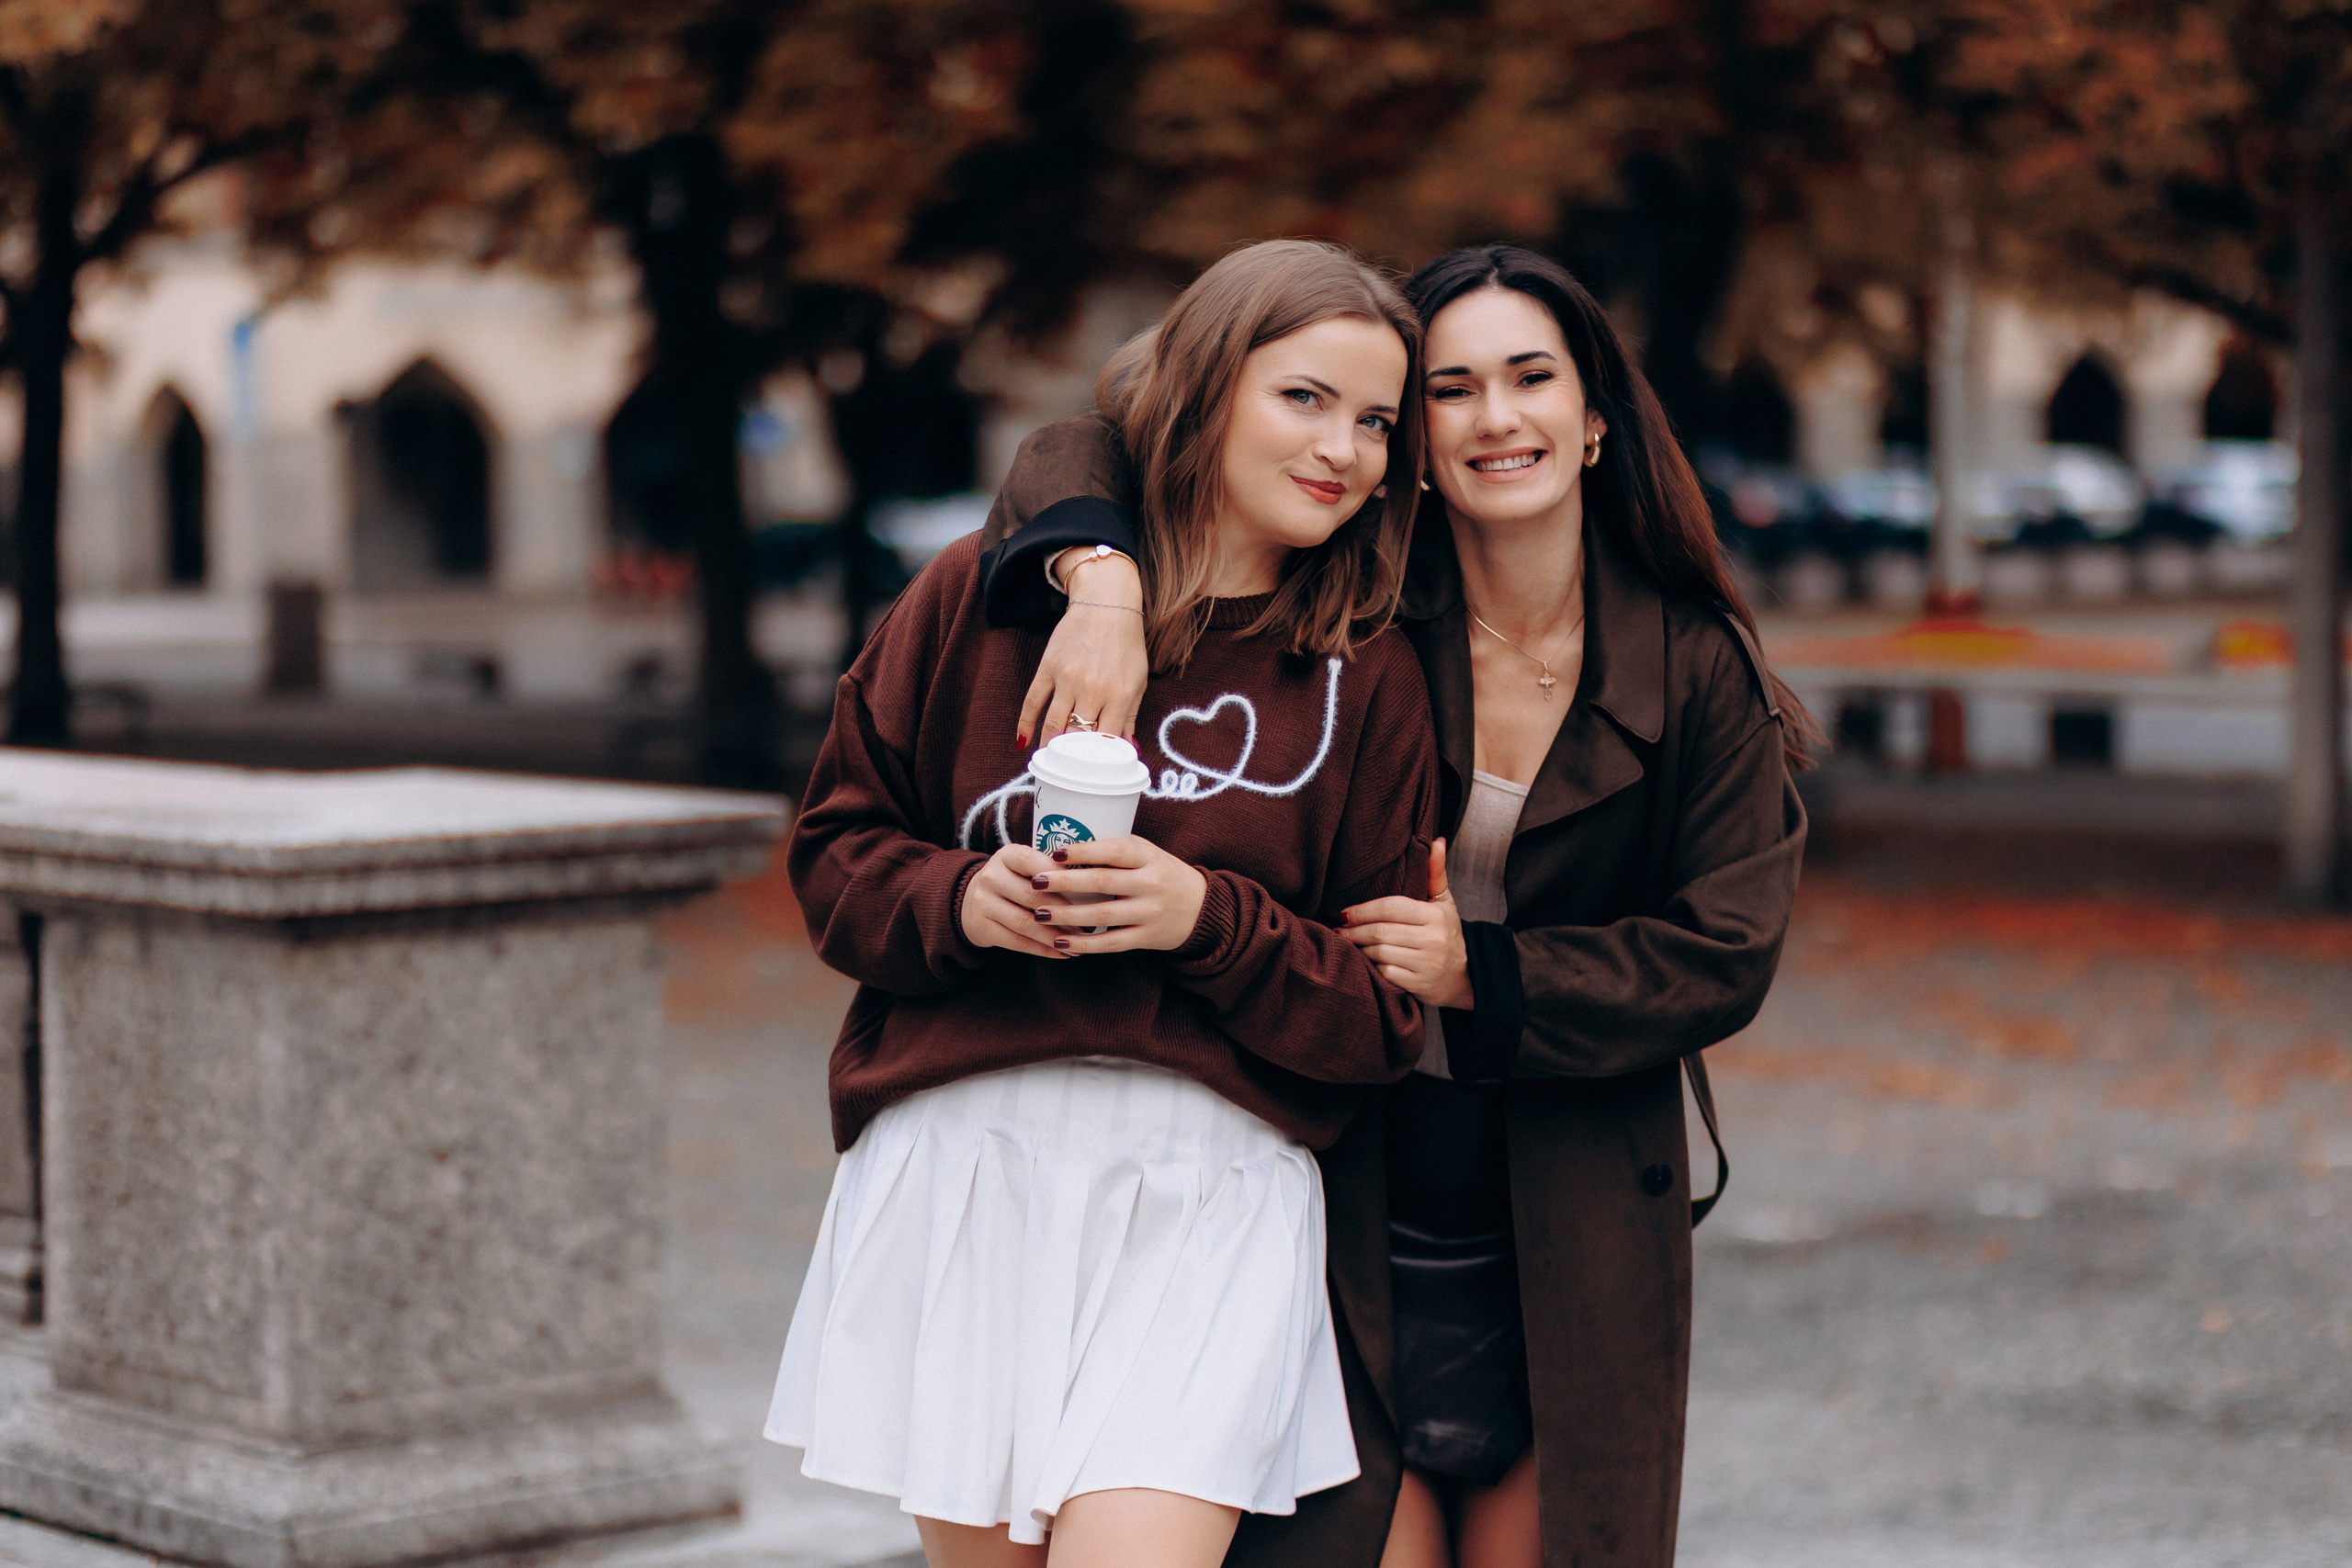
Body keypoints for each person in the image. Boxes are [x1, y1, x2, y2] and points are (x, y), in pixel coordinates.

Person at [975, 243, 1815, 1568]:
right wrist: (1106, 580)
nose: (1496, 418)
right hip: (1339, 1190)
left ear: (1594, 419)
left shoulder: (1693, 663)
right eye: (1450, 387)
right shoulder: (1359, 597)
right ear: (1407, 430)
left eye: (1531, 378)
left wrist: (1487, 972)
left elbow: (1726, 952)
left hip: (1572, 1220)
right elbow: (1088, 438)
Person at [771, 239, 1444, 1568]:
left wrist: (1206, 917)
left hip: (1214, 1193)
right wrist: (966, 903)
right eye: (1305, 398)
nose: (1347, 449)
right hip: (968, 1164)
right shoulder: (981, 594)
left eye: (1377, 421)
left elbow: (1377, 1024)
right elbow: (836, 857)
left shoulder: (1368, 672)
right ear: (1206, 392)